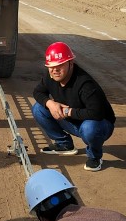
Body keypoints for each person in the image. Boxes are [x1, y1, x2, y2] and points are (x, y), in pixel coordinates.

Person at [32, 42, 116, 171]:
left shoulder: (85, 84)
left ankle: (95, 156)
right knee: (39, 108)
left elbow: (96, 113)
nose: (55, 70)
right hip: (72, 122)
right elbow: (38, 92)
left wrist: (68, 111)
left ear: (71, 63)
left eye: (60, 65)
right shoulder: (50, 76)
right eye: (51, 66)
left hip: (98, 125)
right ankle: (64, 144)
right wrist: (51, 103)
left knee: (90, 128)